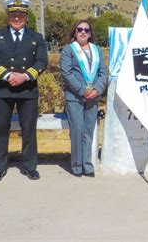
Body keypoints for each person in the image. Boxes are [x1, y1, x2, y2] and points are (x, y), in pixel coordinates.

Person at [0, 0, 48, 183]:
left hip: (27, 91)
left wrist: (25, 76)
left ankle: (30, 166)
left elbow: (42, 62)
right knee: (0, 130)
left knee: (29, 130)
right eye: (13, 14)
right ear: (8, 16)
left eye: (21, 14)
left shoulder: (36, 38)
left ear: (26, 17)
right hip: (3, 90)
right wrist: (7, 76)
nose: (17, 17)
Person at [60, 20, 107, 177]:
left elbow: (103, 73)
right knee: (77, 130)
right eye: (79, 29)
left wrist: (97, 89)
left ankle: (87, 164)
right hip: (75, 97)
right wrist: (82, 90)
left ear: (90, 33)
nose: (83, 32)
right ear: (74, 32)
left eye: (86, 30)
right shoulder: (68, 49)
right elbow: (66, 73)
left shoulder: (96, 49)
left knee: (89, 131)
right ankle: (77, 164)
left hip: (93, 97)